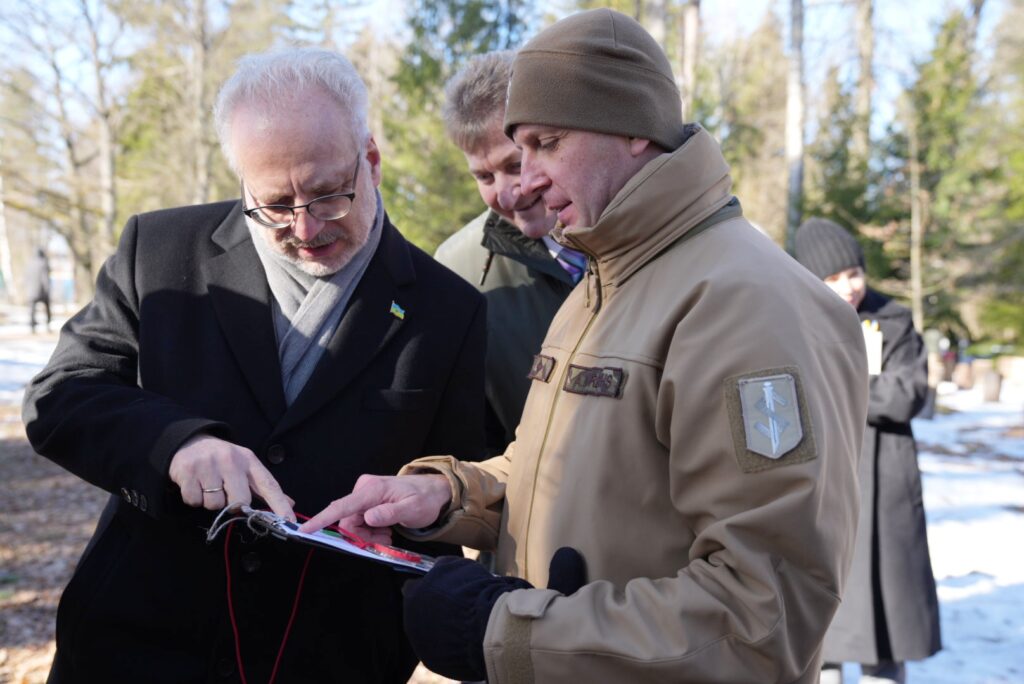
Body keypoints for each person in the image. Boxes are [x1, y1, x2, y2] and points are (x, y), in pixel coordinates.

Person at [303, 10, 869, 683]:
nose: (525, 182)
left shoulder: (747, 305)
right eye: (519, 151)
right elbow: (560, 470)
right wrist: (449, 495)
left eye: (545, 143)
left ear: (633, 129)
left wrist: (504, 630)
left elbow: (763, 617)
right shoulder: (601, 285)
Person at [22, 47, 486, 684]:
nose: (305, 227)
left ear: (371, 160)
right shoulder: (159, 251)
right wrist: (175, 445)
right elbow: (62, 394)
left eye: (327, 195)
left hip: (332, 655)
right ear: (243, 182)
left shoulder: (449, 309)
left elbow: (456, 483)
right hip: (136, 643)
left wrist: (424, 508)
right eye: (274, 204)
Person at [795, 218, 941, 684]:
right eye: (833, 278)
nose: (848, 287)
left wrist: (834, 386)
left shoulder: (894, 320)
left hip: (885, 476)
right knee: (822, 624)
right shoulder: (795, 320)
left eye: (854, 273)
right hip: (821, 482)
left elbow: (905, 394)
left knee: (884, 618)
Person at [435, 50, 581, 454]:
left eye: (514, 165)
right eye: (484, 176)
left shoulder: (649, 240)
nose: (505, 194)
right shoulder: (457, 272)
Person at [25, 247, 51, 333]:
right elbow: (45, 278)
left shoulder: (29, 263)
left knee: (32, 310)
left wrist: (27, 288)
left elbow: (26, 277)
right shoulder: (43, 263)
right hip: (41, 291)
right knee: (47, 307)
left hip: (31, 291)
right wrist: (47, 290)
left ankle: (32, 327)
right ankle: (48, 325)